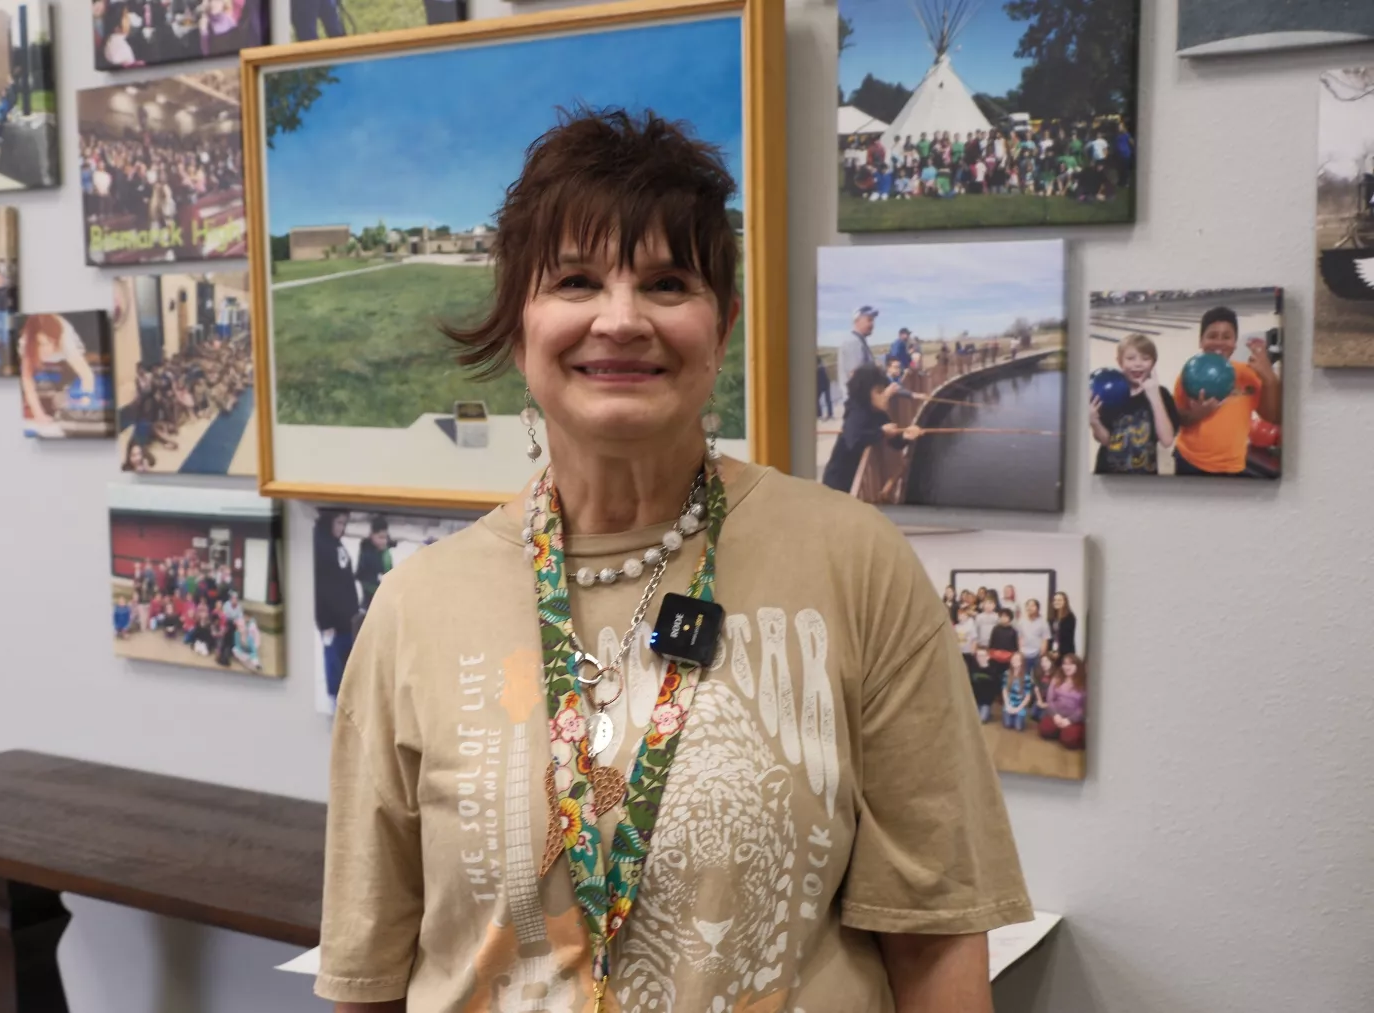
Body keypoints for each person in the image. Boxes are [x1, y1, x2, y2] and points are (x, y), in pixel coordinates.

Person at [317, 107, 1030, 1013]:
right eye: (576, 280)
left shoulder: (855, 563)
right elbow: (370, 977)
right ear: (519, 322)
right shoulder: (416, 606)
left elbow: (934, 938)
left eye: (666, 283)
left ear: (722, 325)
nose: (620, 320)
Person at [1172, 306, 1282, 477]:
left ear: (1235, 343)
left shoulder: (1248, 374)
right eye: (1212, 336)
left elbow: (1271, 417)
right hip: (1189, 461)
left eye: (1226, 337)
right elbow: (1177, 419)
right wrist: (1196, 415)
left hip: (1232, 466)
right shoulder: (1189, 373)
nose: (1219, 342)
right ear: (1201, 341)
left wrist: (1270, 380)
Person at [819, 367, 923, 496]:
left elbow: (895, 442)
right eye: (879, 392)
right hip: (838, 481)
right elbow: (854, 440)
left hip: (854, 480)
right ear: (865, 394)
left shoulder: (878, 414)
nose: (885, 396)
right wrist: (881, 432)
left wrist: (906, 436)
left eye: (885, 390)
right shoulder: (857, 413)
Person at [1090, 333, 1178, 474]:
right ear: (1120, 362)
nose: (1138, 364)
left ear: (1153, 363)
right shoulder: (1109, 393)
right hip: (1108, 474)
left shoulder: (1162, 394)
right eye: (1130, 358)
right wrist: (1094, 422)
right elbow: (1106, 440)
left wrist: (1154, 396)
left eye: (1145, 358)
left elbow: (1167, 441)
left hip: (1143, 477)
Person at [19, 315, 98, 438]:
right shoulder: (27, 343)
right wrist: (39, 415)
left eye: (48, 343)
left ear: (55, 341)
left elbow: (87, 375)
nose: (44, 349)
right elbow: (27, 379)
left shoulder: (66, 342)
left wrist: (84, 405)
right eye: (40, 344)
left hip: (64, 349)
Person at [313, 509, 363, 704]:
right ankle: (335, 703)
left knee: (348, 664)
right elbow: (317, 587)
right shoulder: (318, 545)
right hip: (332, 622)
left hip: (347, 619)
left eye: (344, 523)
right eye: (339, 523)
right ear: (329, 521)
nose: (342, 528)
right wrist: (324, 621)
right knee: (334, 665)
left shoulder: (336, 544)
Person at [1039, 654, 1087, 750]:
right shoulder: (1057, 678)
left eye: (1071, 664)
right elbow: (1050, 699)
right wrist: (1055, 715)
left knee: (1069, 740)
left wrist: (1070, 720)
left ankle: (1065, 732)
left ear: (1077, 666)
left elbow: (1084, 707)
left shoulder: (1083, 683)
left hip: (1074, 719)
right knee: (1044, 729)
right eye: (1065, 664)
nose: (1067, 667)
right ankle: (1060, 730)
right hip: (1056, 715)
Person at [836, 304, 878, 406]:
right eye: (869, 320)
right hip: (858, 402)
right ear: (857, 321)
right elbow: (856, 376)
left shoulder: (859, 341)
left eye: (873, 320)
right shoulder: (853, 342)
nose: (872, 324)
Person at [1016, 597, 1051, 675]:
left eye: (1032, 606)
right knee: (1024, 675)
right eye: (1028, 606)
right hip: (1024, 654)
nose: (1030, 608)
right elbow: (1019, 637)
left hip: (1037, 654)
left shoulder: (1043, 622)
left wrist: (1041, 654)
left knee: (1037, 675)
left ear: (1037, 608)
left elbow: (1045, 639)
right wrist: (1020, 651)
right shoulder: (1021, 621)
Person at [1001, 654, 1032, 732]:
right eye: (1013, 659)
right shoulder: (1006, 673)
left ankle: (1019, 716)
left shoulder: (1026, 677)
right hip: (1010, 703)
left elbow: (1028, 696)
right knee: (1007, 725)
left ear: (1021, 662)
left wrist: (1018, 709)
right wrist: (1007, 705)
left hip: (1020, 705)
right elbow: (1004, 691)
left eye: (1017, 660)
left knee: (1018, 727)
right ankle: (1010, 715)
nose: (1015, 661)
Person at [1049, 591, 1077, 656]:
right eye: (1055, 600)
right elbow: (1050, 636)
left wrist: (1058, 651)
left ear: (1065, 602)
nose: (1056, 602)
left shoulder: (1070, 617)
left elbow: (1066, 637)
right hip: (1053, 651)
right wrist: (1051, 650)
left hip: (1065, 651)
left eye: (1059, 600)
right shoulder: (1052, 618)